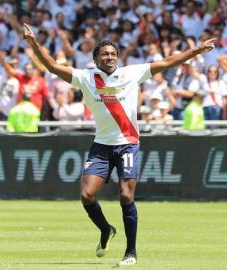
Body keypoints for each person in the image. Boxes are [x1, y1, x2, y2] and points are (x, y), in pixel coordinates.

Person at [22, 23, 216, 266]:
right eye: (105, 54)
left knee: (126, 195)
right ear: (95, 59)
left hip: (127, 144)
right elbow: (51, 65)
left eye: (113, 54)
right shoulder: (85, 78)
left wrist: (196, 51)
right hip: (101, 146)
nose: (110, 57)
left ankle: (131, 252)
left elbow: (167, 63)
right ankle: (106, 230)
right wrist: (34, 45)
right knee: (86, 195)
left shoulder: (131, 73)